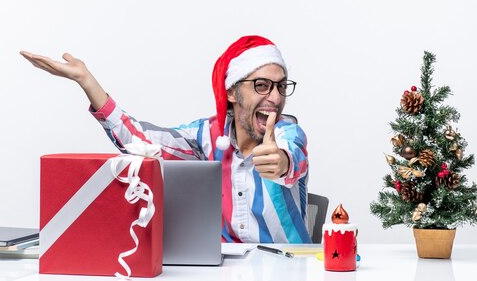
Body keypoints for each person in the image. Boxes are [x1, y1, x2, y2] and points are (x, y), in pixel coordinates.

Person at [21, 35, 310, 243]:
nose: (274, 97)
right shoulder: (205, 137)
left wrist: (281, 162)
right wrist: (87, 81)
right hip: (229, 271)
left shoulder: (288, 134)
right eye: (262, 85)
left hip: (291, 270)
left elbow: (291, 158)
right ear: (232, 93)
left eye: (281, 87)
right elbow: (140, 140)